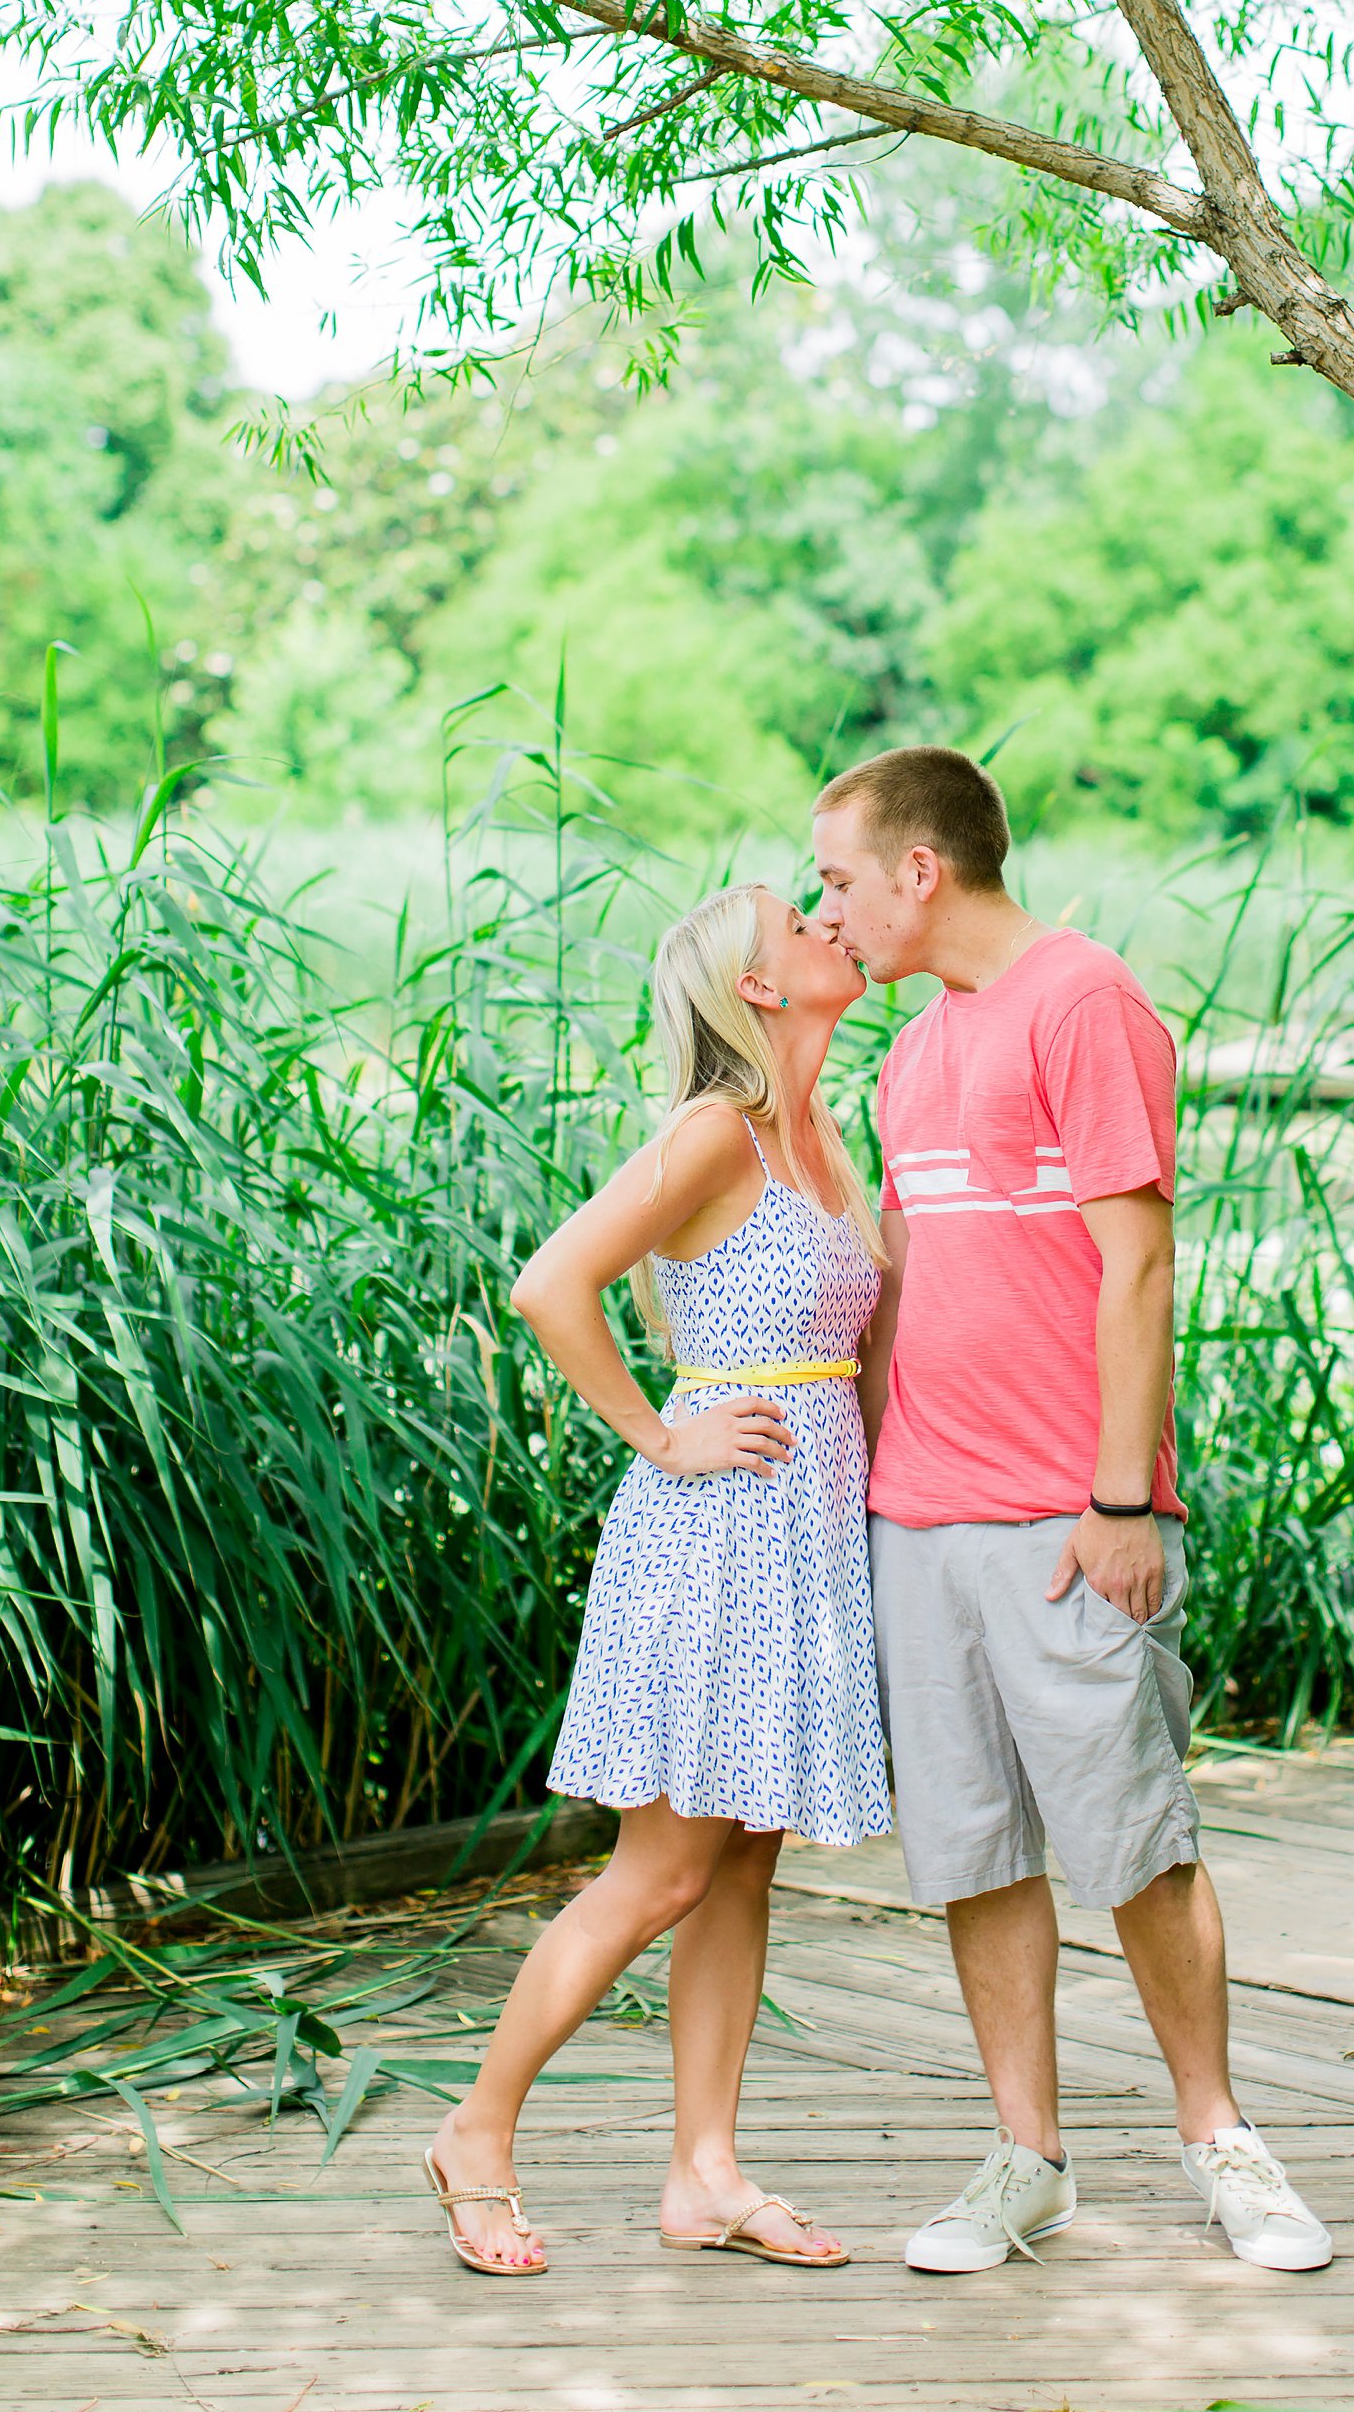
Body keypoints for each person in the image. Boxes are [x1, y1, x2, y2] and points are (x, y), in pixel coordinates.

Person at [813, 747, 1334, 2277]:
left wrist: (1121, 1499)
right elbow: (902, 1288)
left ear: (923, 871)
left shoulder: (1081, 999)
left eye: (838, 877)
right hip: (922, 1519)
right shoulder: (912, 1052)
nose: (825, 909)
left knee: (1136, 1843)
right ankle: (1027, 2160)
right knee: (973, 1847)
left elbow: (1140, 1265)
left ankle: (1222, 2139)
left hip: (1067, 1518)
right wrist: (860, 1488)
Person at [422, 882, 891, 2278]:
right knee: (664, 1869)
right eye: (801, 925)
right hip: (717, 1530)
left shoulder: (824, 1139)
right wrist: (659, 1435)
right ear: (756, 987)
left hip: (799, 1532)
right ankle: (478, 2132)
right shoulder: (715, 1134)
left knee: (742, 1860)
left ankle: (705, 2174)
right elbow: (550, 1284)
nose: (831, 928)